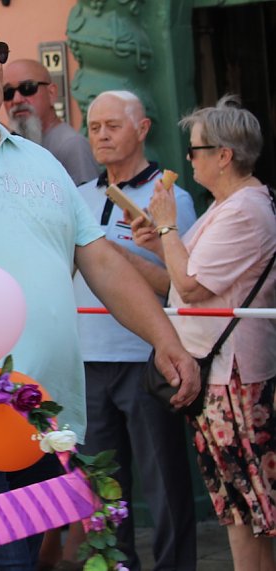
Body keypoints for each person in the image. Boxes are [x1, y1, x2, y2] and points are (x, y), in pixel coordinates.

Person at [0, 11, 200, 570]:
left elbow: (101, 260)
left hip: (47, 420)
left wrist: (165, 337)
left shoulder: (40, 161)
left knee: (40, 561)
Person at [132, 95, 276, 571]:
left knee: (251, 505)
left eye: (195, 150)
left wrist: (169, 226)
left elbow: (191, 287)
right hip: (219, 373)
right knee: (234, 503)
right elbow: (179, 278)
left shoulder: (245, 210)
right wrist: (159, 239)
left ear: (224, 155)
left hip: (234, 375)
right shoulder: (227, 206)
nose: (188, 158)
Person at [70, 90, 198, 571]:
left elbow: (179, 286)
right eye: (94, 126)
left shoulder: (171, 199)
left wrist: (106, 252)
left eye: (113, 126)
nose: (101, 135)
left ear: (142, 129)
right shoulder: (79, 195)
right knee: (100, 483)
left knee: (163, 479)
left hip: (145, 356)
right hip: (87, 358)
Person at [3, 59, 99, 185]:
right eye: (7, 92)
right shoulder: (17, 145)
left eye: (27, 88)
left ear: (51, 93)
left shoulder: (72, 146)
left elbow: (89, 201)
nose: (16, 100)